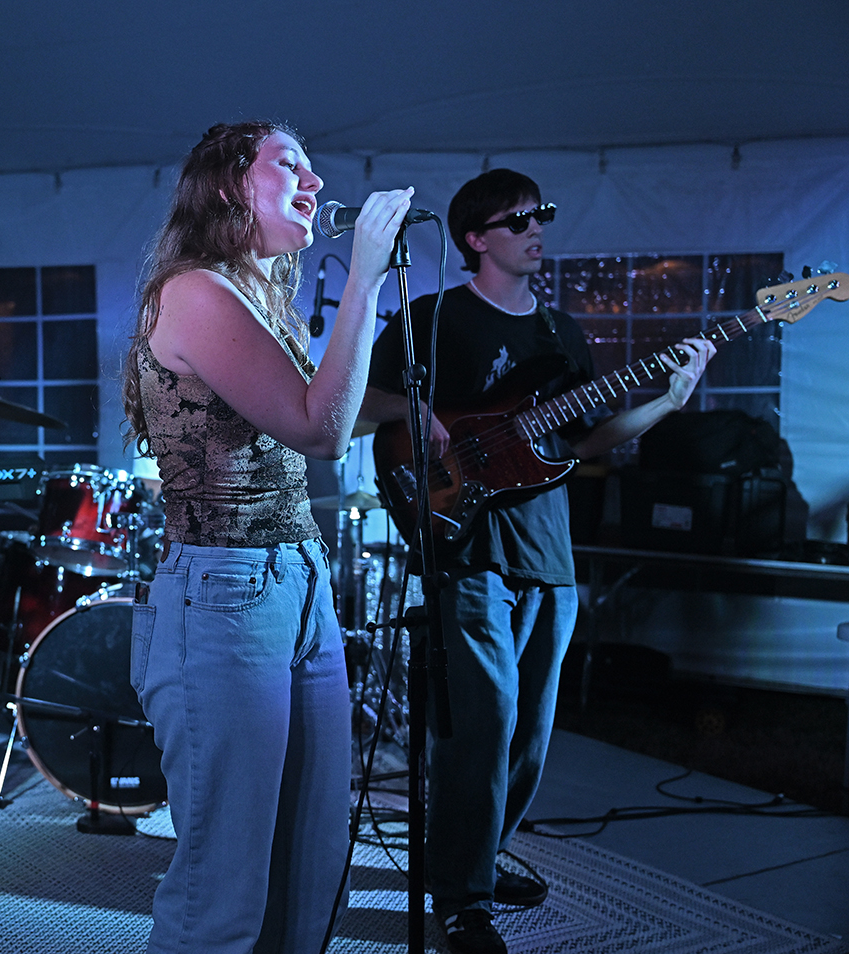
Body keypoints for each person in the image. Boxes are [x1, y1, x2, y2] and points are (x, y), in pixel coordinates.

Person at [359, 169, 715, 954]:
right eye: (520, 219)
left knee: (529, 734)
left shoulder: (563, 335)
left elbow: (582, 445)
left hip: (548, 552)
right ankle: (462, 901)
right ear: (475, 239)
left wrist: (664, 402)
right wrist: (416, 409)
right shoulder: (435, 318)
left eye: (542, 215)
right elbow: (353, 407)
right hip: (466, 542)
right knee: (481, 724)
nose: (537, 227)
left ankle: (475, 857)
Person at [121, 120, 412, 953]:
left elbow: (327, 407)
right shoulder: (194, 293)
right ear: (224, 186)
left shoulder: (261, 296)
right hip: (224, 593)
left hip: (297, 580)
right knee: (226, 877)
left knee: (310, 859)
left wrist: (409, 412)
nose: (315, 184)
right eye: (290, 165)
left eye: (315, 168)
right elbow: (319, 428)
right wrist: (363, 276)